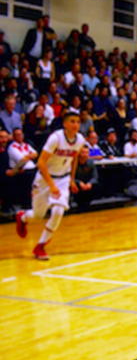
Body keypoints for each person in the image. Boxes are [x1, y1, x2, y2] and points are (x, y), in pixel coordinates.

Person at [16, 110, 86, 260]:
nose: (76, 125)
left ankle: (40, 246)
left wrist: (72, 180)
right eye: (72, 121)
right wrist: (51, 185)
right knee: (37, 215)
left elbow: (73, 160)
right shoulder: (55, 138)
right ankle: (22, 217)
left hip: (63, 179)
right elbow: (40, 162)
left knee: (58, 211)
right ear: (65, 124)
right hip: (44, 178)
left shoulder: (80, 140)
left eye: (78, 122)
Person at [73, 146, 100, 212]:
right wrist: (79, 182)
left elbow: (95, 177)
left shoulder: (91, 163)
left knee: (98, 186)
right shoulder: (73, 163)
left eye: (86, 153)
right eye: (82, 152)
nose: (84, 155)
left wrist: (90, 183)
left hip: (87, 185)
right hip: (76, 185)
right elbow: (69, 177)